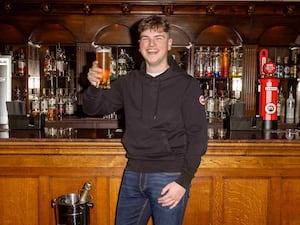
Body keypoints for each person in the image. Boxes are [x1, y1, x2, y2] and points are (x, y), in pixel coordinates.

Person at [83, 15, 208, 225]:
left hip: (170, 176)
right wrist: (94, 86)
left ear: (169, 43)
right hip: (133, 174)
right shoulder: (127, 83)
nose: (152, 44)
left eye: (158, 37)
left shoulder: (187, 85)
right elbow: (92, 109)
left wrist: (183, 181)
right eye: (145, 38)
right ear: (139, 45)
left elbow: (198, 137)